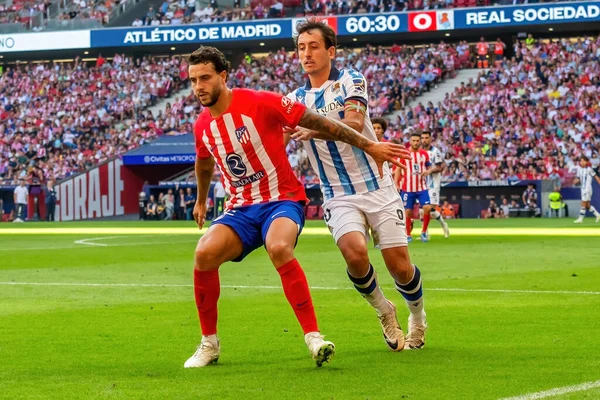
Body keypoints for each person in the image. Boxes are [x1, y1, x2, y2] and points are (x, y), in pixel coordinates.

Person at [185, 45, 407, 369]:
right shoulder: (202, 126)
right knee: (204, 253)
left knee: (278, 246)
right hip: (242, 208)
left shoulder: (260, 101)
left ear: (223, 76)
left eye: (205, 78)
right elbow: (203, 163)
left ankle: (314, 337)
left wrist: (370, 144)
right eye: (193, 80)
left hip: (282, 199)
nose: (199, 86)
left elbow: (325, 123)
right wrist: (201, 199)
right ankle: (209, 344)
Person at [286, 20, 427, 352]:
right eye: (301, 48)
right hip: (337, 193)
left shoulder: (351, 80)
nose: (306, 53)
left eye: (314, 46)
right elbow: (275, 138)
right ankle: (384, 310)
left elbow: (352, 122)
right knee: (354, 253)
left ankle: (418, 318)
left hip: (377, 186)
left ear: (331, 51)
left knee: (400, 266)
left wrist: (314, 129)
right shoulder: (293, 99)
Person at [395, 132, 433, 243]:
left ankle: (424, 232)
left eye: (417, 140)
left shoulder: (424, 154)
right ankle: (408, 234)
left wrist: (427, 171)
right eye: (414, 141)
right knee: (407, 212)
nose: (416, 142)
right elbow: (398, 169)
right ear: (410, 141)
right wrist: (396, 183)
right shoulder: (404, 153)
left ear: (420, 141)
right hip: (407, 188)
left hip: (421, 187)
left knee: (427, 208)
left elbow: (429, 167)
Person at [421, 131, 449, 238]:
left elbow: (439, 167)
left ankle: (441, 225)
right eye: (423, 138)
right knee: (423, 210)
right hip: (422, 184)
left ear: (430, 139)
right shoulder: (419, 152)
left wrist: (430, 171)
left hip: (433, 184)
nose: (424, 140)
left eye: (426, 138)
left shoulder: (435, 151)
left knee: (428, 209)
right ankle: (426, 232)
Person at [572, 155, 600, 223]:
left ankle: (580, 219)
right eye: (580, 161)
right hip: (582, 188)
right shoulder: (580, 170)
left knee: (583, 203)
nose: (581, 162)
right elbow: (578, 179)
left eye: (583, 161)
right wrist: (575, 181)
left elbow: (596, 177)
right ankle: (598, 215)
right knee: (587, 205)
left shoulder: (589, 169)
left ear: (586, 162)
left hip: (587, 188)